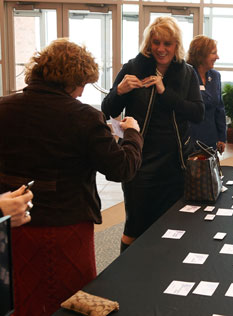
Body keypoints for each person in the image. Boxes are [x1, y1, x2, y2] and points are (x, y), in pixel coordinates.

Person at [0, 39, 143, 316]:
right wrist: (133, 134)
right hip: (66, 227)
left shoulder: (3, 108)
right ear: (72, 80)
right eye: (82, 85)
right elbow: (122, 169)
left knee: (22, 299)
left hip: (13, 227)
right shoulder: (84, 117)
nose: (81, 93)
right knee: (72, 303)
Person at [101, 16, 204, 252]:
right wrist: (119, 91)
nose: (161, 49)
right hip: (140, 162)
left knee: (172, 226)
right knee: (135, 226)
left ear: (176, 45)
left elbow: (198, 113)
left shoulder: (187, 73)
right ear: (149, 44)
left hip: (175, 163)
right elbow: (108, 109)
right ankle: (127, 277)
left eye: (167, 44)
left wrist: (164, 92)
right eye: (156, 42)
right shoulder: (133, 68)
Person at [187, 35, 226, 153]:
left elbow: (219, 108)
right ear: (201, 55)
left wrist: (221, 137)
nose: (217, 57)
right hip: (189, 138)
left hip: (210, 138)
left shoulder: (215, 76)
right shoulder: (186, 74)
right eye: (213, 53)